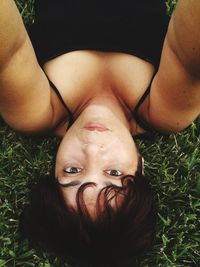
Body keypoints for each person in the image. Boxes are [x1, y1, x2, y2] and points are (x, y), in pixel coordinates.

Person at [0, 0, 200, 266]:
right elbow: (188, 53)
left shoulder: (36, 110)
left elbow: (7, 52)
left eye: (71, 171)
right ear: (140, 167)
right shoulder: (164, 110)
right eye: (114, 173)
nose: (92, 148)